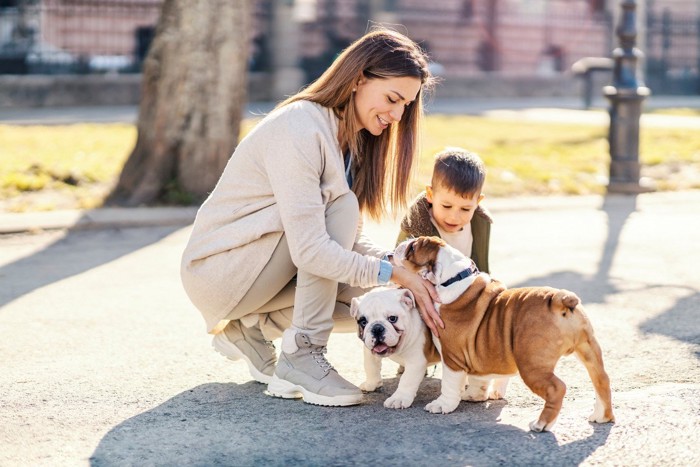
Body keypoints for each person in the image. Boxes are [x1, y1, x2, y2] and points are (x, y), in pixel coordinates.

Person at [180, 28, 439, 408]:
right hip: (220, 271)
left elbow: (350, 240)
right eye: (392, 99)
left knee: (375, 302)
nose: (398, 115)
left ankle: (251, 328)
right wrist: (395, 274)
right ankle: (302, 353)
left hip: (262, 272)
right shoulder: (300, 127)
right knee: (346, 220)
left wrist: (401, 270)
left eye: (406, 106)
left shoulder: (351, 143)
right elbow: (312, 250)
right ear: (358, 80)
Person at [396, 147, 493, 273]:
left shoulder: (480, 223)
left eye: (465, 209)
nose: (454, 217)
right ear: (430, 195)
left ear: (477, 202)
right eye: (446, 206)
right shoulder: (414, 227)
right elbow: (398, 270)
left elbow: (482, 270)